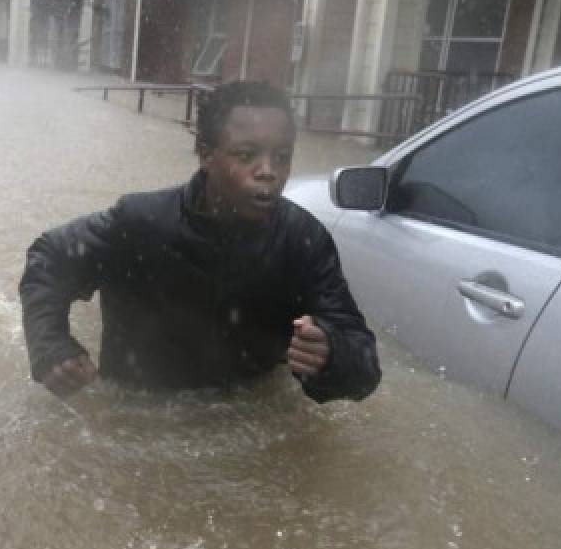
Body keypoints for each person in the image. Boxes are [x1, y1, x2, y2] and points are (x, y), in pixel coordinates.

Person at [19, 81, 380, 402]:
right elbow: (49, 258)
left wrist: (332, 355)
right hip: (135, 418)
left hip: (249, 423)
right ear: (206, 153)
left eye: (281, 157)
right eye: (246, 154)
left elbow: (364, 363)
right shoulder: (142, 222)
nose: (268, 170)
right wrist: (50, 346)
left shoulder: (303, 240)